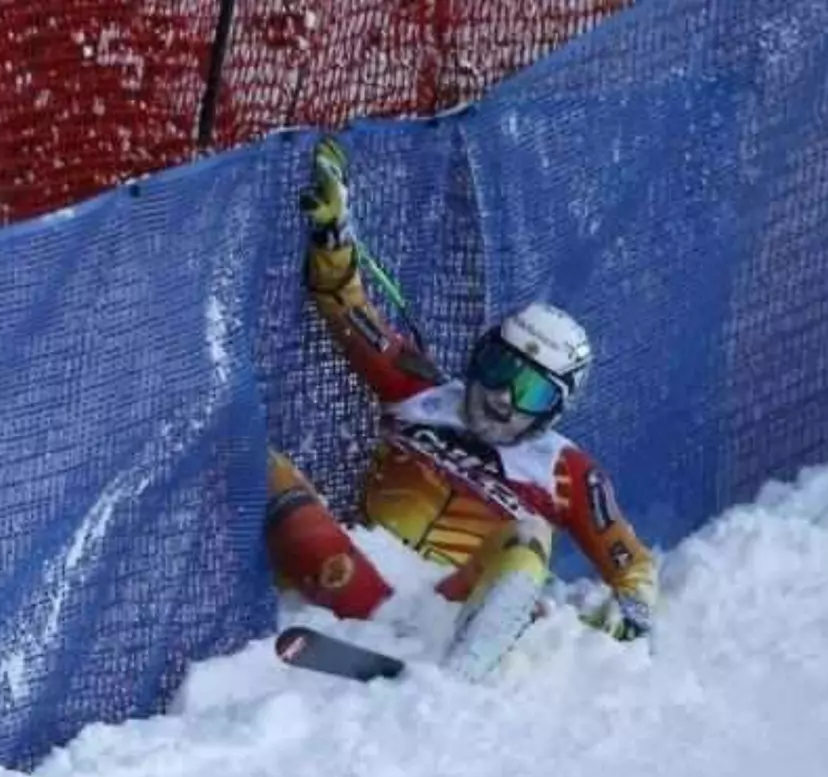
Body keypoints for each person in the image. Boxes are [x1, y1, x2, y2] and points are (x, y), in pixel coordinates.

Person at [267, 137, 659, 679]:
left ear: (556, 410)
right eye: (500, 371)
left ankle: (458, 680)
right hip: (356, 572)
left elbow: (631, 563)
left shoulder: (567, 470)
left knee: (529, 535)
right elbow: (343, 303)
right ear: (479, 357)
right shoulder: (420, 390)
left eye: (531, 392)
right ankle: (284, 609)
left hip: (449, 606)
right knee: (263, 468)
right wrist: (333, 233)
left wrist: (622, 618)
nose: (502, 399)